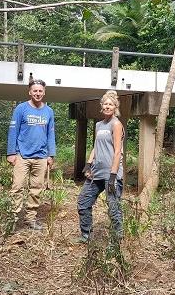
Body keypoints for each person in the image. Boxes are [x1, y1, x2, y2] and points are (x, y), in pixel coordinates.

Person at [6, 79, 56, 230]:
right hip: (22, 155)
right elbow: (13, 131)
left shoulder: (49, 111)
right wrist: (11, 152)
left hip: (41, 157)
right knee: (17, 187)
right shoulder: (21, 109)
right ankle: (12, 220)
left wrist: (51, 154)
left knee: (36, 189)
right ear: (30, 92)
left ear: (44, 92)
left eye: (40, 91)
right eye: (35, 91)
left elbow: (51, 134)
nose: (38, 93)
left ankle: (30, 219)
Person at [77, 90, 124, 243]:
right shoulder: (98, 125)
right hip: (96, 172)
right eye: (105, 104)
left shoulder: (116, 124)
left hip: (111, 174)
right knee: (83, 202)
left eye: (110, 104)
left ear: (115, 106)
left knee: (113, 207)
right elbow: (96, 147)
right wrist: (88, 164)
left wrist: (112, 176)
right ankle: (86, 235)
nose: (107, 106)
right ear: (102, 106)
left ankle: (117, 240)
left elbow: (117, 151)